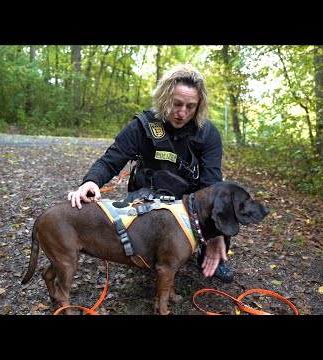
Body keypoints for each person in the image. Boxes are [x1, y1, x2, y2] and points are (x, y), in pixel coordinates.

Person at [67, 64, 234, 283]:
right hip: (148, 198)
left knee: (227, 197)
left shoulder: (207, 133)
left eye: (190, 107)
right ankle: (148, 250)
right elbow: (111, 159)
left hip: (188, 203)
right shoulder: (143, 125)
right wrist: (90, 181)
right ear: (165, 98)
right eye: (177, 104)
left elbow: (211, 184)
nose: (182, 113)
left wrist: (218, 233)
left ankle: (212, 254)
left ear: (199, 106)